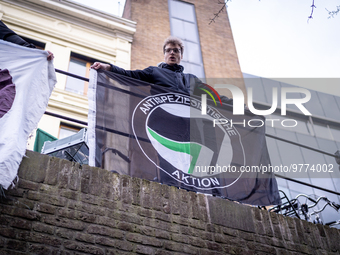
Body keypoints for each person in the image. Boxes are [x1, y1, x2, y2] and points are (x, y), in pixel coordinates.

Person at [91, 36, 233, 104]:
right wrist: (108, 67)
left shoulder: (192, 79)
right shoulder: (154, 72)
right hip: (163, 121)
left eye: (176, 51)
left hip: (188, 125)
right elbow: (130, 75)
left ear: (181, 56)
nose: (172, 53)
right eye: (168, 50)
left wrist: (240, 106)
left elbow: (214, 96)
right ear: (164, 55)